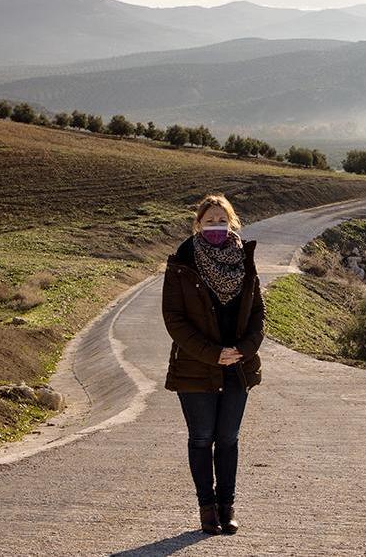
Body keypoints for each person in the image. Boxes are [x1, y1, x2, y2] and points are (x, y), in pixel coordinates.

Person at [161, 193, 264, 535]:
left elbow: (258, 314)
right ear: (198, 224)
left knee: (229, 438)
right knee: (202, 438)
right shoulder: (182, 262)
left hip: (237, 366)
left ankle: (227, 507)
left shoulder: (245, 259)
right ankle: (206, 509)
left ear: (232, 222)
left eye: (222, 221)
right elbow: (174, 319)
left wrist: (244, 350)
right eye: (209, 221)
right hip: (195, 367)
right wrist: (212, 353)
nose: (216, 227)